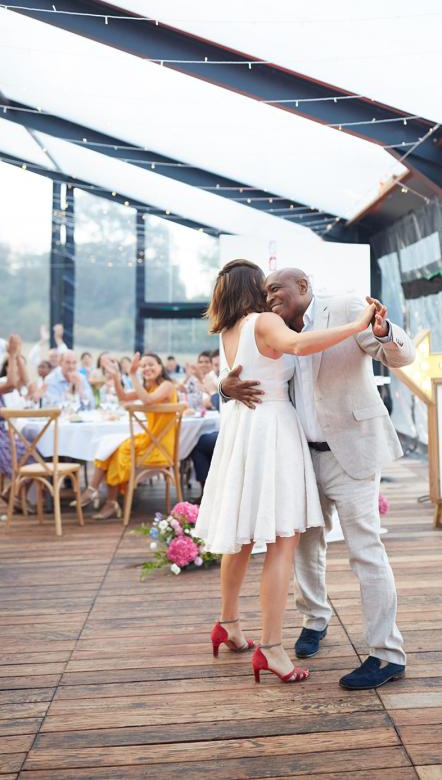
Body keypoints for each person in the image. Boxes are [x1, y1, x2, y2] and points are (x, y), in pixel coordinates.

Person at [221, 267, 415, 691]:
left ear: (303, 287)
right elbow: (254, 372)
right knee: (305, 547)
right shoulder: (271, 325)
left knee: (365, 549)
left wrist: (383, 332)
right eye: (265, 291)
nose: (270, 297)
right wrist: (224, 387)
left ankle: (387, 653)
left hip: (350, 452)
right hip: (299, 456)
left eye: (277, 289)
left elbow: (404, 355)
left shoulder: (347, 308)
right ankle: (315, 620)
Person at [195, 259, 376, 685]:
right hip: (272, 429)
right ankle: (272, 648)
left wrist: (222, 385)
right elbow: (302, 346)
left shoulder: (228, 330)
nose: (270, 292)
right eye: (264, 285)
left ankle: (229, 623)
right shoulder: (260, 323)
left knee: (240, 538)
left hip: (242, 432)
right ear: (251, 289)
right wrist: (357, 326)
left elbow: (225, 375)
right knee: (282, 540)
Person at [74, 353, 176, 519]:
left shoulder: (167, 386)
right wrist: (116, 376)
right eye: (144, 366)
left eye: (151, 364)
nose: (147, 368)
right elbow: (122, 398)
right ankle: (99, 494)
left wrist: (133, 374)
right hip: (149, 439)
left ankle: (108, 500)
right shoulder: (148, 387)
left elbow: (149, 400)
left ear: (160, 366)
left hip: (160, 446)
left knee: (118, 451)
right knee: (111, 446)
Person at [0, 335, 36, 512]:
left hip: (6, 434)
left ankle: (13, 492)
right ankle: (13, 492)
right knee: (35, 455)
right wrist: (12, 355)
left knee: (35, 450)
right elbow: (12, 384)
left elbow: (22, 381)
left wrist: (18, 355)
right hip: (2, 440)